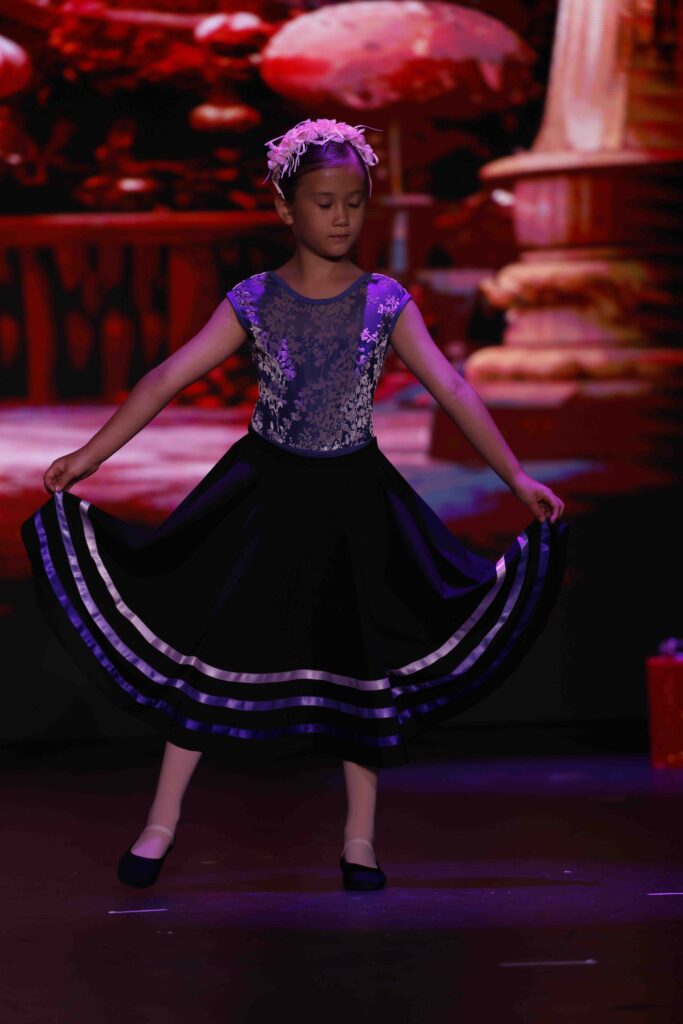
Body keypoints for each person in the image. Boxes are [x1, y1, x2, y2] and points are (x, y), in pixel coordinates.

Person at [20, 118, 568, 893]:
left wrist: (514, 477)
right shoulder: (255, 299)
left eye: (354, 202)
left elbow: (451, 386)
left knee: (358, 652)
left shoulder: (384, 300)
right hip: (264, 494)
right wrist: (89, 456)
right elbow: (167, 376)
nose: (340, 218)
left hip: (354, 497)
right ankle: (161, 820)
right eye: (323, 202)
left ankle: (359, 839)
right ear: (285, 206)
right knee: (219, 642)